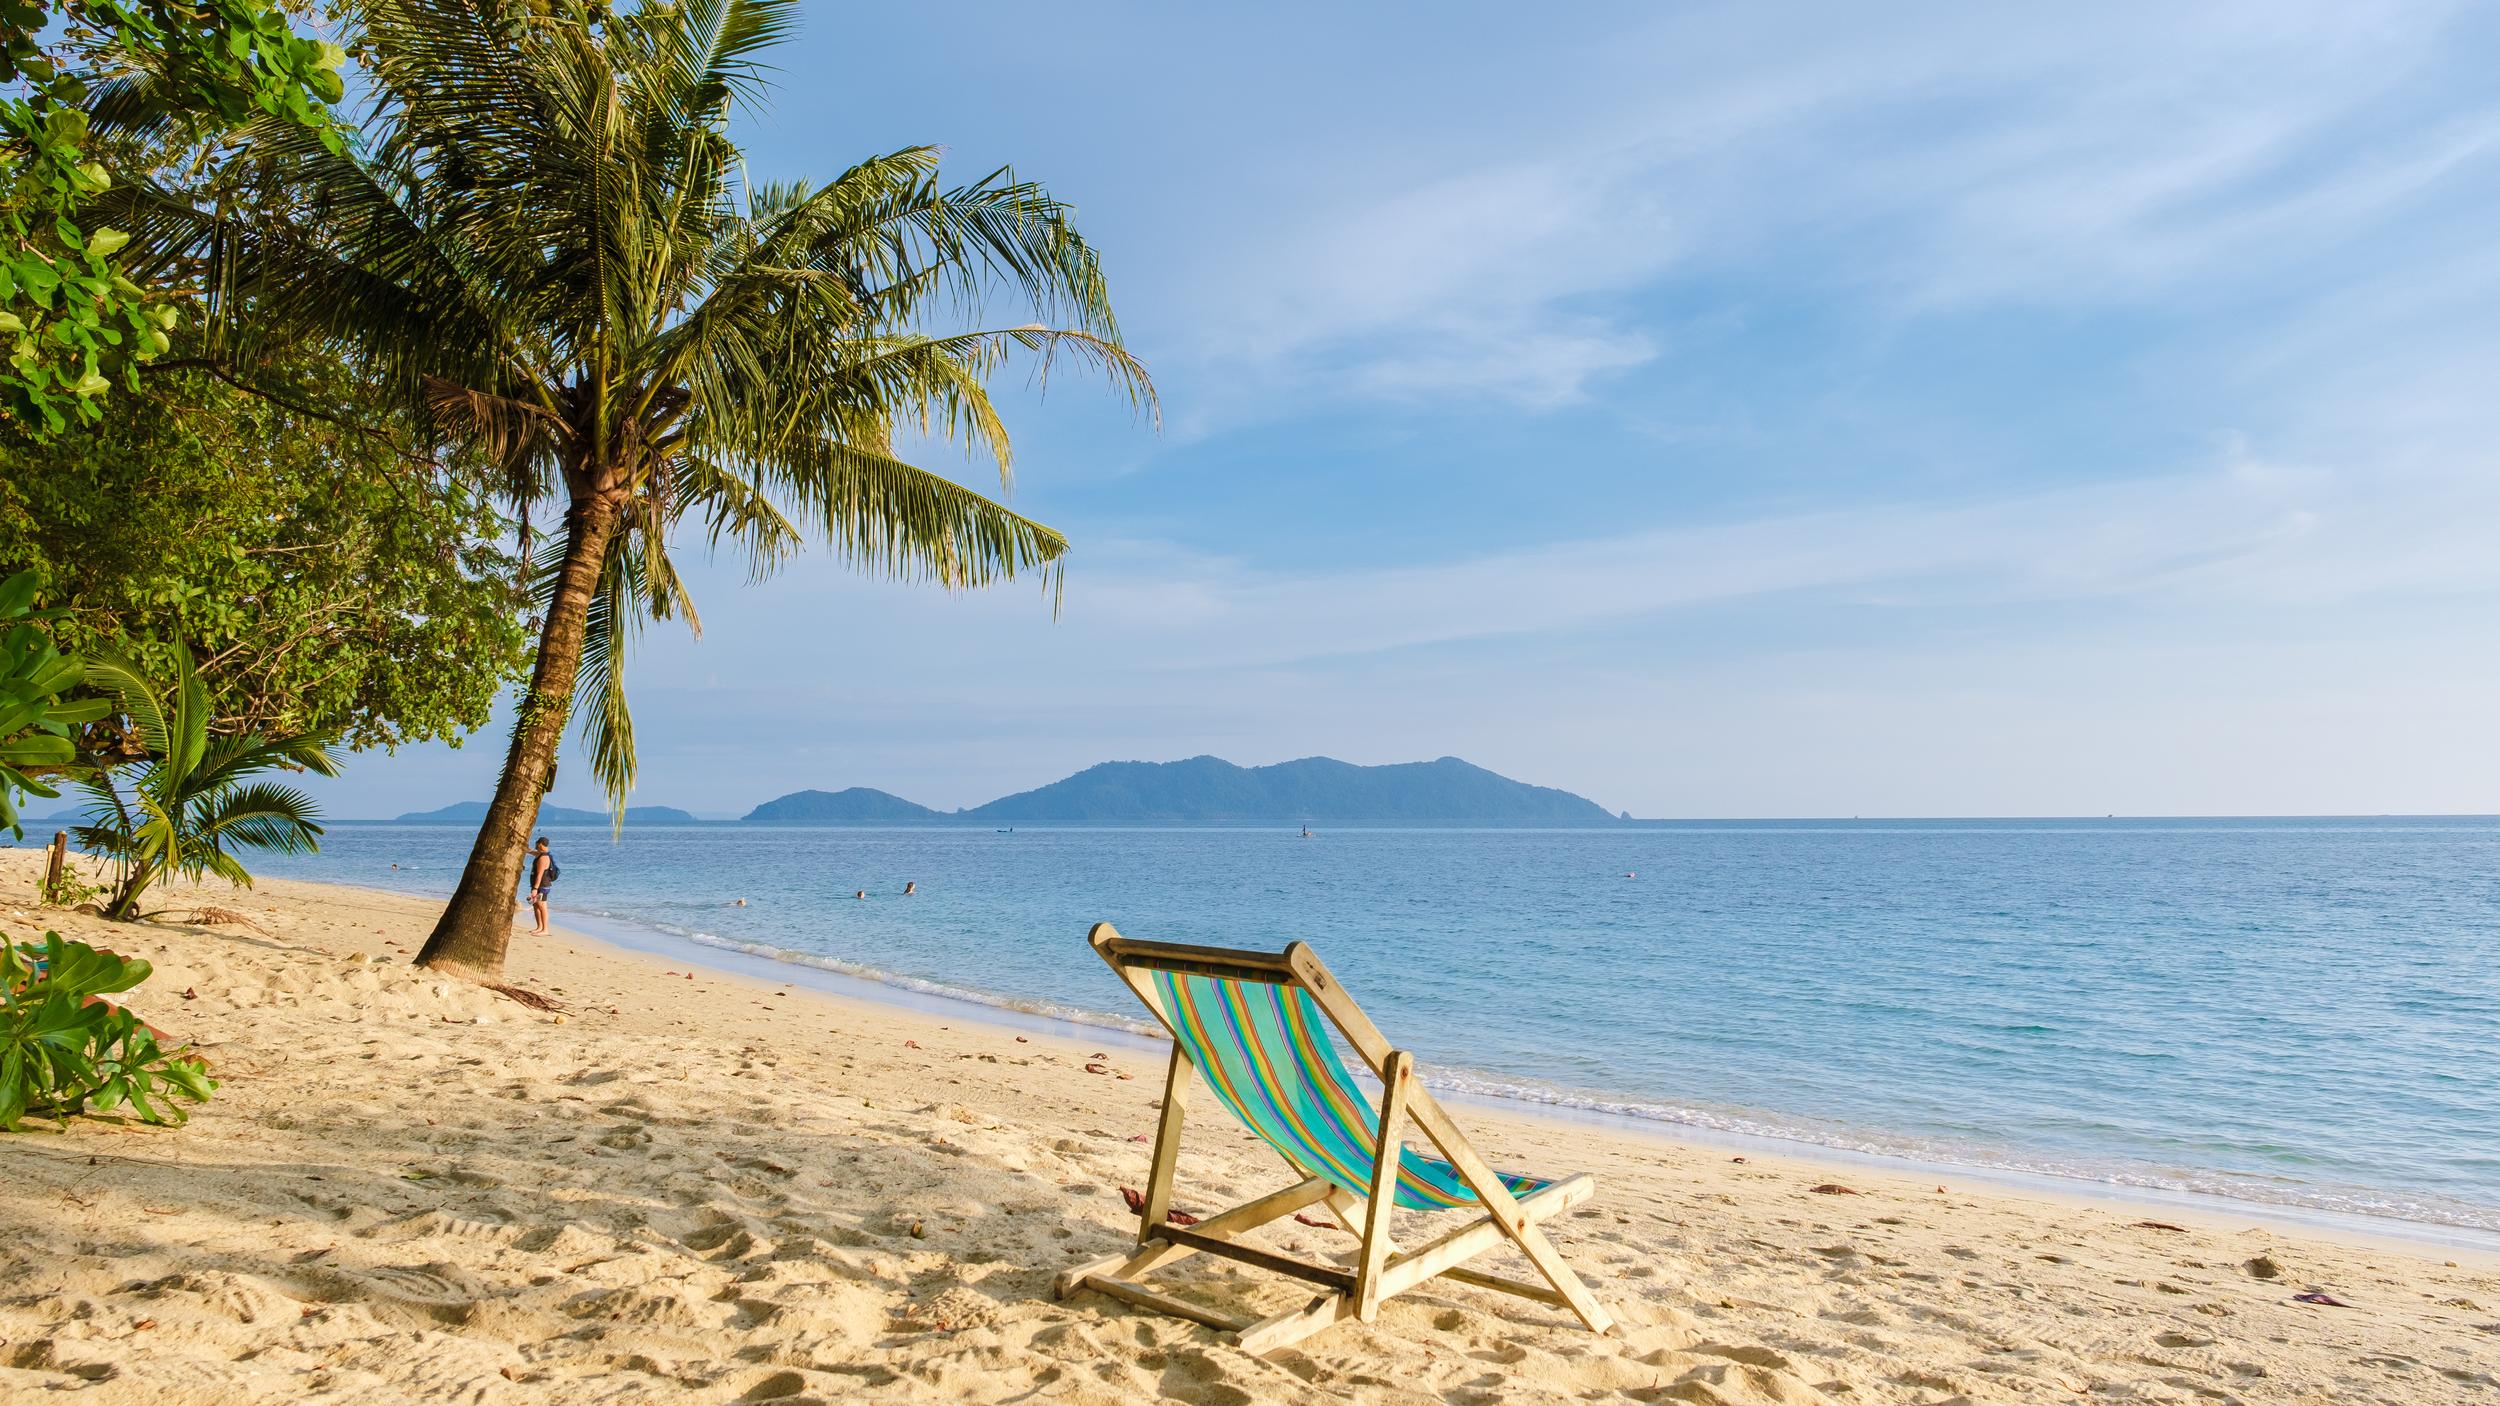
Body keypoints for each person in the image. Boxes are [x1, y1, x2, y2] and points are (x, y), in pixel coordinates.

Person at [526, 837, 559, 935]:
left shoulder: (544, 858)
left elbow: (539, 875)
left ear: (540, 844)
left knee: (542, 906)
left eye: (536, 843)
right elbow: (531, 851)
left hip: (542, 885)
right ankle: (539, 927)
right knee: (536, 905)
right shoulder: (540, 854)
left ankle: (545, 930)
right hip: (538, 885)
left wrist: (535, 889)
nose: (535, 845)